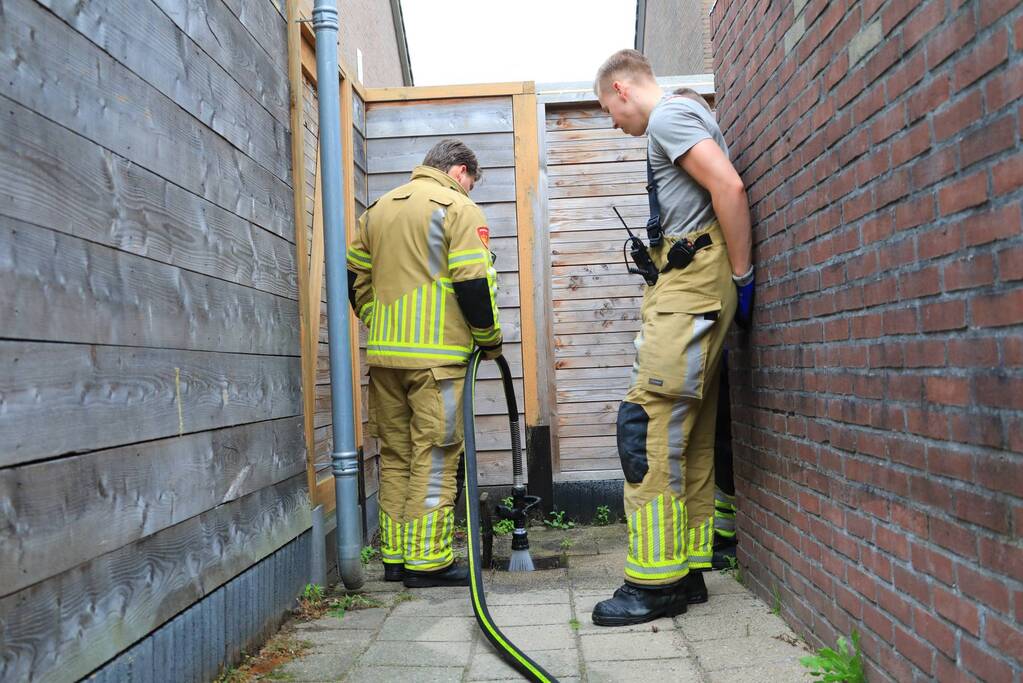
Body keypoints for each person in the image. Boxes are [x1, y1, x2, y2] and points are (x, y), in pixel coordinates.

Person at [590, 49, 755, 625]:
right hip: (693, 283)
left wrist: (743, 276)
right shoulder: (686, 112)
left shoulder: (667, 117)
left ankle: (654, 583)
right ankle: (686, 571)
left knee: (648, 423)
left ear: (621, 89)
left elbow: (729, 187)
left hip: (693, 286)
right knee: (691, 429)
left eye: (608, 110)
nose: (614, 123)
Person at [346, 139, 503, 588]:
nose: (469, 190)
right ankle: (428, 562)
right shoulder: (458, 208)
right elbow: (473, 283)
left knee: (396, 456)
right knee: (435, 454)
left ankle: (396, 558)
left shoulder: (377, 211)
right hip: (438, 362)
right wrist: (489, 340)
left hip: (385, 359)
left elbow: (355, 278)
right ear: (459, 171)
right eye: (470, 182)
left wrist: (379, 321)